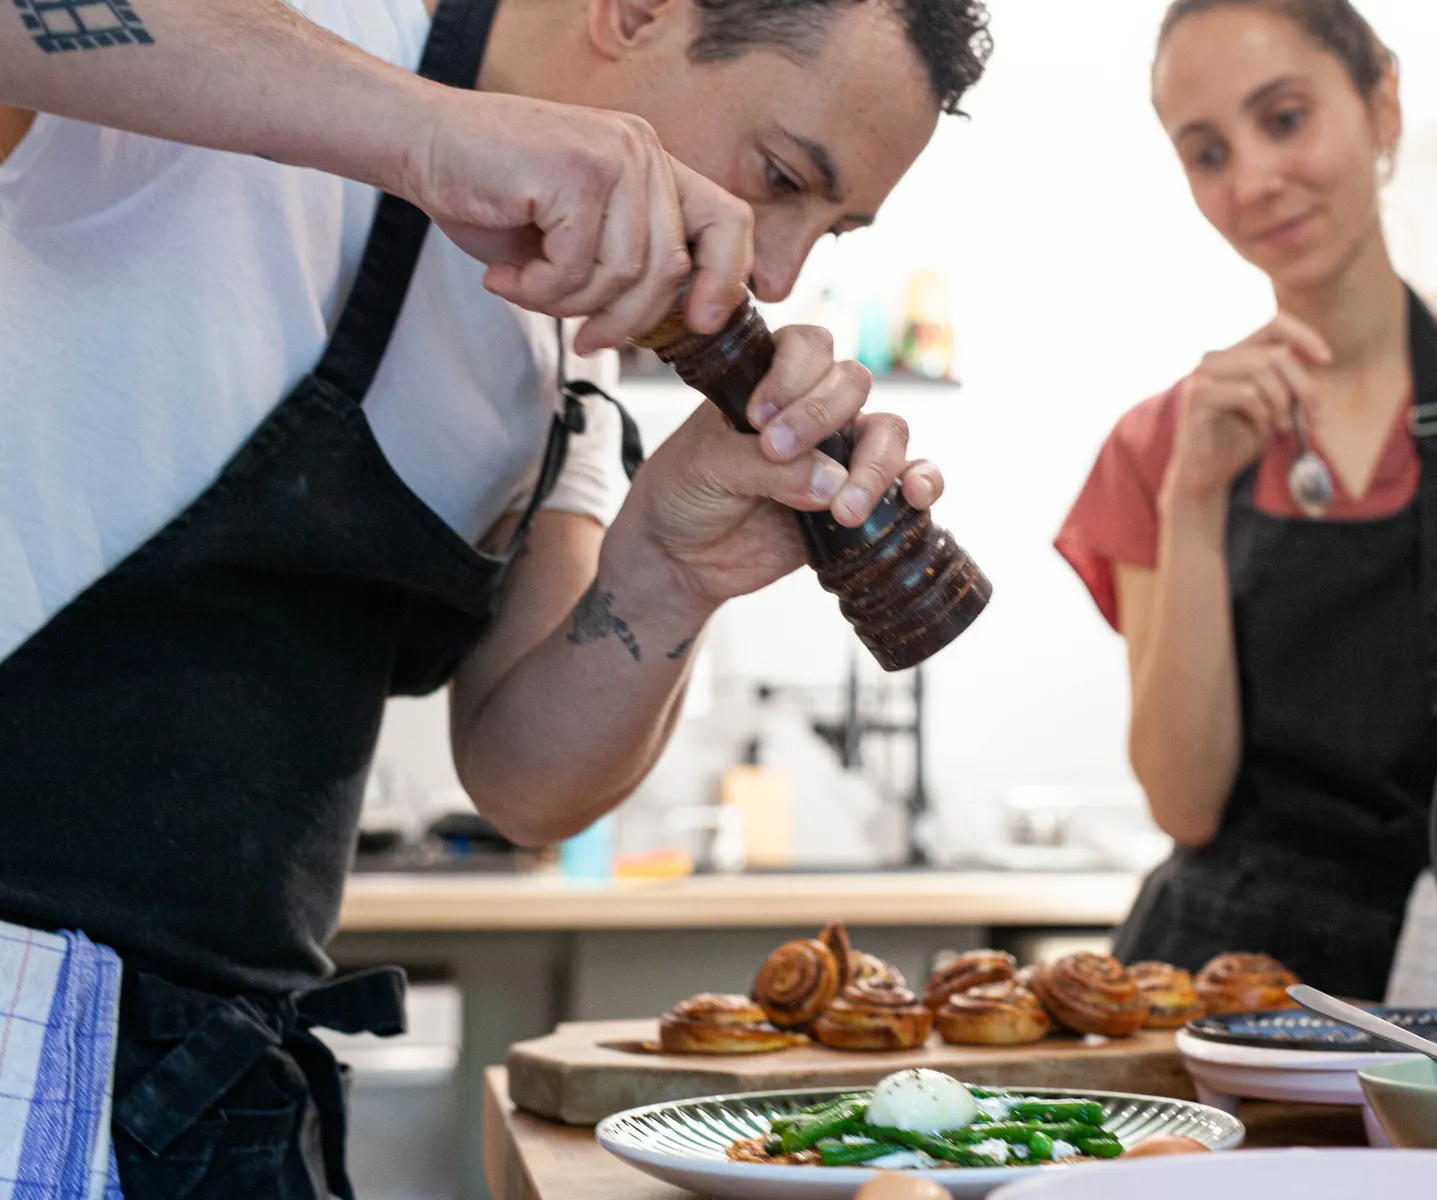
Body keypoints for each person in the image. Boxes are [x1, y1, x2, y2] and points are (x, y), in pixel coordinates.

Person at [0, 0, 991, 1194]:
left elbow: (529, 784)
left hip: (205, 1092)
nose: (777, 267)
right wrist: (428, 134)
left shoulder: (561, 366)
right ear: (636, 13)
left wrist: (672, 572)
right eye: (780, 176)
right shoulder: (305, 29)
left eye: (830, 230)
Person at [1054, 0, 1437, 1000]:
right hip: (1222, 1003)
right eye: (1206, 153)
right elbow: (1183, 802)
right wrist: (1192, 496)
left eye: (1286, 117)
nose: (1255, 179)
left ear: (1382, 101)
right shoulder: (1158, 446)